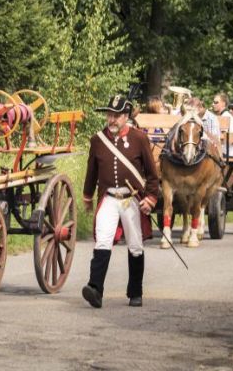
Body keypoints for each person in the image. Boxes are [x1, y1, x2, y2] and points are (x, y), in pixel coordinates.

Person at [81, 95, 160, 309]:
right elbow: (91, 171)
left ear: (126, 116)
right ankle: (95, 289)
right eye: (109, 115)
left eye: (116, 116)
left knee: (135, 245)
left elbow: (153, 175)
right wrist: (87, 196)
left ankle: (136, 292)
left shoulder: (139, 138)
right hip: (108, 198)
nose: (112, 120)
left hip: (130, 199)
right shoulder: (98, 140)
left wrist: (151, 198)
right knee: (103, 242)